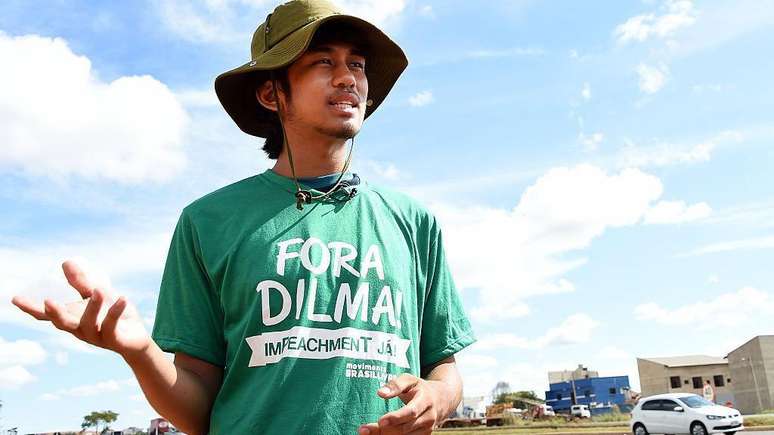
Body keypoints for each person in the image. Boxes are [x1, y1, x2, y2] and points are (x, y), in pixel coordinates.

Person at [11, 1, 476, 434]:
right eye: (323, 62)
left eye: (356, 64)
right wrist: (141, 352)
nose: (348, 78)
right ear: (272, 94)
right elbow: (198, 413)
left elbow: (445, 365)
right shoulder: (208, 221)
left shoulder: (413, 220)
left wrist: (436, 394)